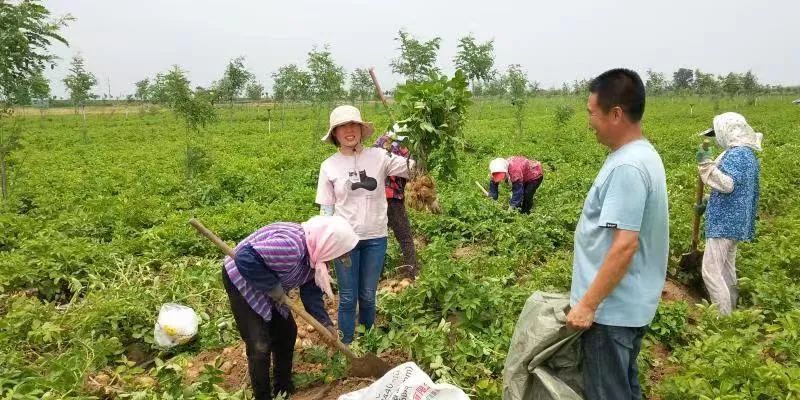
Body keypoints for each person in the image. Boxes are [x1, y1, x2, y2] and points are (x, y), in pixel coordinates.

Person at [566, 69, 669, 400]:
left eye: (591, 113)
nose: (589, 121)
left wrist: (587, 305)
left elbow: (625, 246)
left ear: (616, 114)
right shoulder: (641, 155)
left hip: (609, 314)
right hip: (625, 307)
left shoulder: (627, 167)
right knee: (623, 389)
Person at [222, 215, 358, 400]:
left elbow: (311, 294)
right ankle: (263, 396)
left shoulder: (315, 256)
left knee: (287, 333)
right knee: (259, 345)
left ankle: (283, 389)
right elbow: (244, 258)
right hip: (242, 279)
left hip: (272, 284)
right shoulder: (292, 247)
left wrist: (325, 323)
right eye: (338, 253)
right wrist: (272, 286)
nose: (337, 258)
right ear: (329, 243)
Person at [316, 105, 413, 344]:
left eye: (353, 125)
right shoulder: (329, 166)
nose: (349, 130)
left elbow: (413, 169)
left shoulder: (379, 157)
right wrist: (323, 247)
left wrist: (421, 143)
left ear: (361, 129)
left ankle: (368, 341)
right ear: (335, 134)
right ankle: (347, 345)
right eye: (343, 127)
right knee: (348, 297)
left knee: (368, 295)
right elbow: (326, 210)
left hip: (375, 238)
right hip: (344, 241)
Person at [698, 112, 761, 316]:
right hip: (735, 221)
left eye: (717, 134)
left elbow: (727, 184)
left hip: (725, 222)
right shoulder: (746, 154)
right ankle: (732, 312)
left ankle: (722, 318)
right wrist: (708, 202)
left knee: (711, 271)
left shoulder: (737, 155)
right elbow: (739, 190)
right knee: (726, 269)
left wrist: (705, 166)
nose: (717, 139)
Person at [374, 128, 419, 280]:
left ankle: (375, 275)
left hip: (374, 196)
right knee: (405, 236)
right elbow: (413, 170)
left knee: (377, 238)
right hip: (393, 198)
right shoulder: (405, 148)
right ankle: (413, 272)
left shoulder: (379, 143)